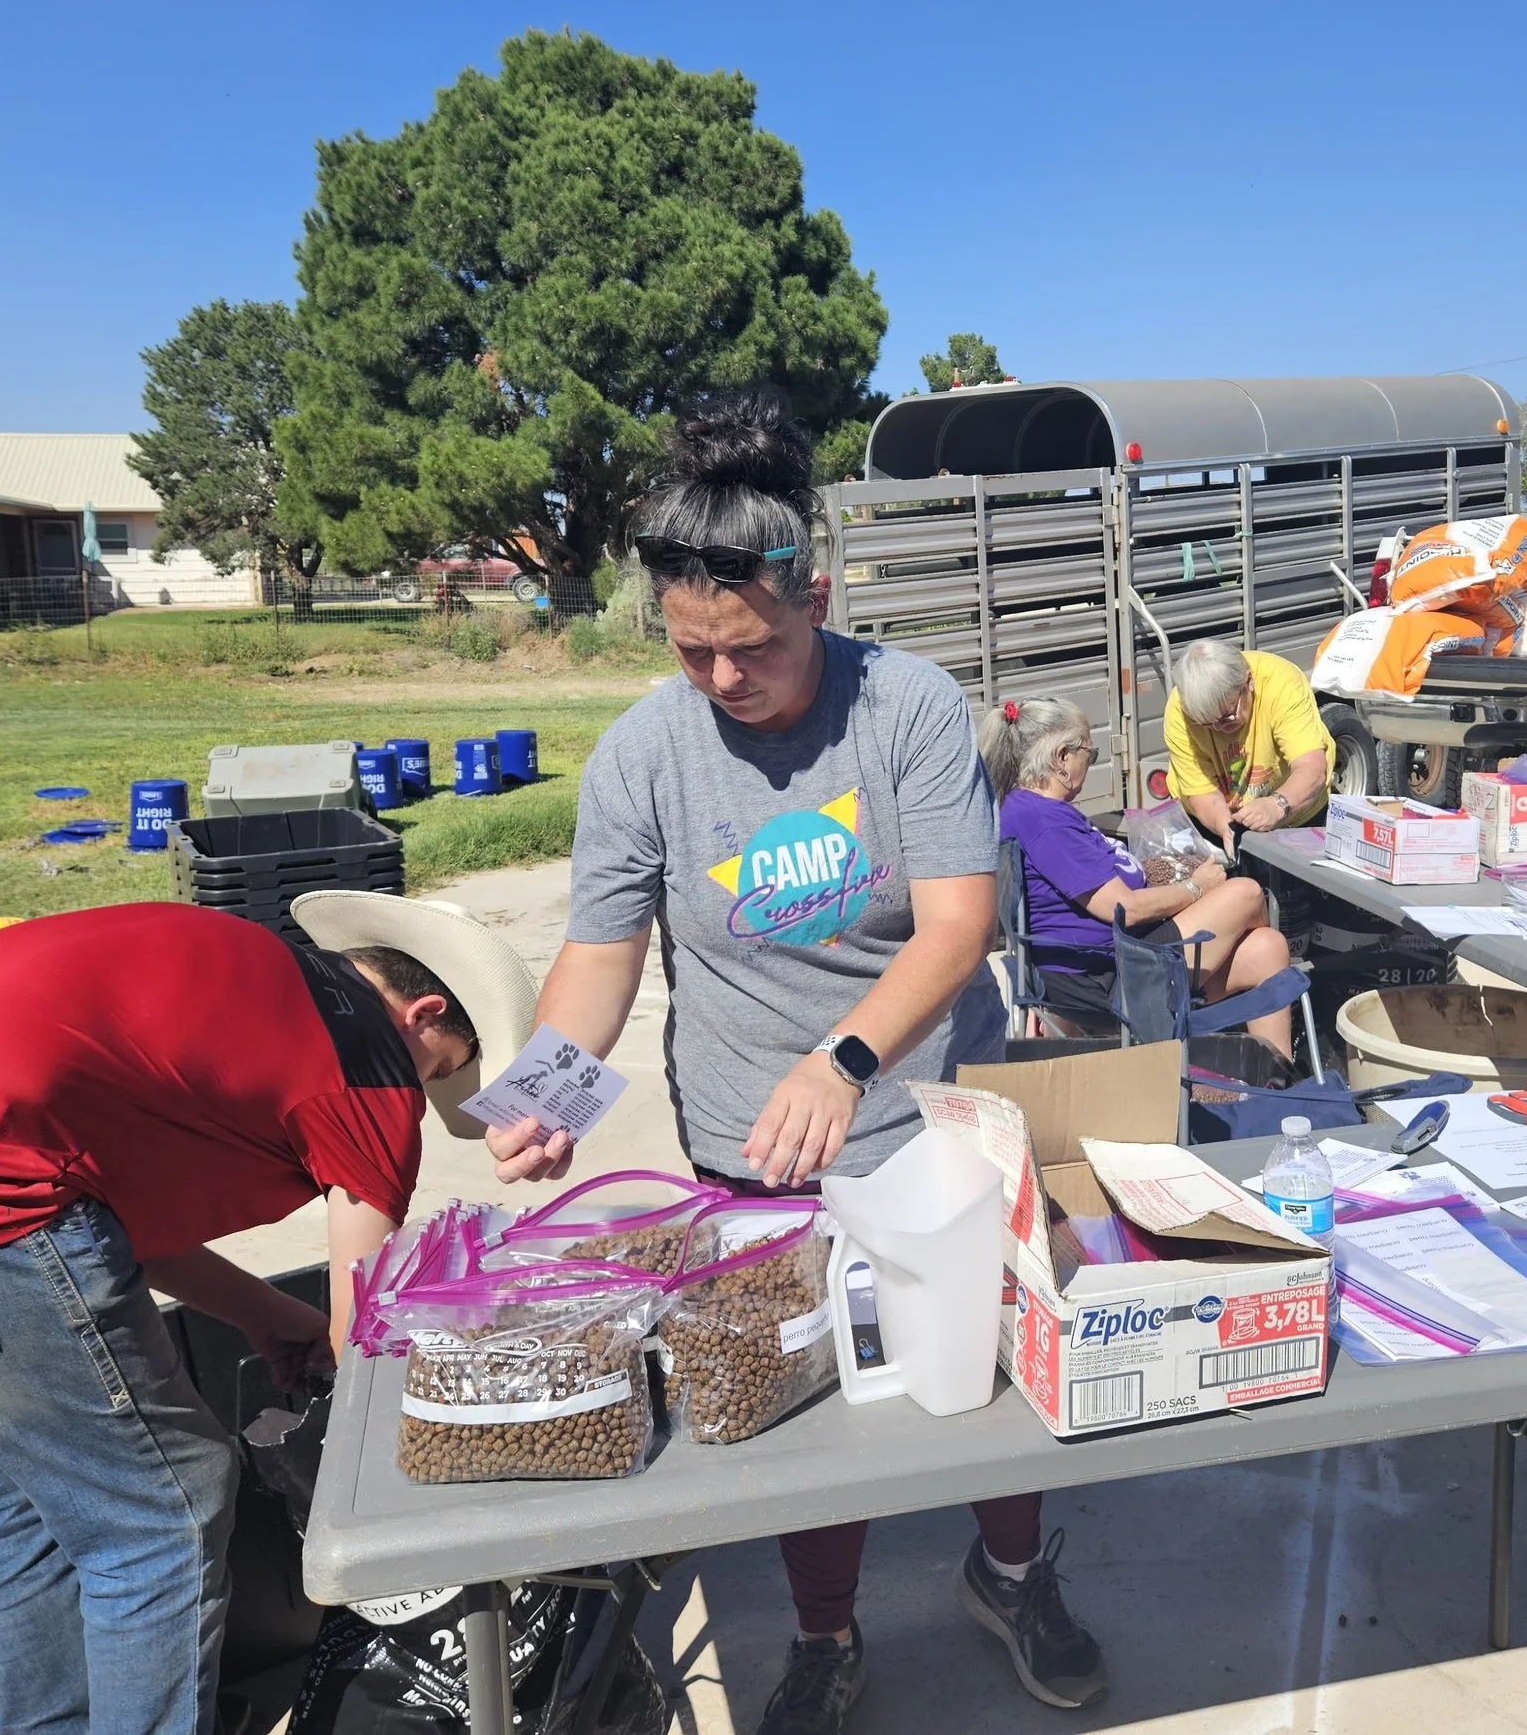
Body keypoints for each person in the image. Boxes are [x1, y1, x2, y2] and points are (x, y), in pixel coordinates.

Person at [534, 392, 1107, 1735]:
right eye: (693, 651)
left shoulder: (905, 706)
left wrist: (844, 1058)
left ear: (817, 596)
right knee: (798, 1377)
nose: (725, 680)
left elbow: (960, 924)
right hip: (752, 1128)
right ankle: (827, 1629)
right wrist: (547, 1089)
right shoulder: (642, 751)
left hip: (925, 1107)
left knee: (987, 1357)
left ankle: (1010, 1569)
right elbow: (602, 950)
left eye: (753, 647)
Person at [0, 893, 540, 1735]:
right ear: (426, 1012)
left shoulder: (247, 976)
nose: (424, 1093)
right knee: (165, 1511)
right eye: (442, 1069)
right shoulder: (369, 1062)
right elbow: (364, 1334)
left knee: (1, 1495)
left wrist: (264, 1314)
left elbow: (105, 1229)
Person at [984, 693, 1296, 1056]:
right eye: (1090, 753)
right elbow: (1125, 908)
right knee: (1245, 893)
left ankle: (1275, 1082)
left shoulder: (1032, 810)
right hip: (1112, 979)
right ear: (1062, 758)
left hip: (1117, 959)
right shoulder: (1044, 820)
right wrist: (1196, 887)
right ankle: (1190, 1026)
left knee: (1267, 948)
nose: (1092, 761)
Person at [1162, 637, 1335, 845]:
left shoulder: (1281, 683)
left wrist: (1276, 805)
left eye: (1227, 717)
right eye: (1207, 724)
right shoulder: (1180, 711)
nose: (1220, 729)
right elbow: (1202, 793)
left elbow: (1311, 767)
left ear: (1249, 681)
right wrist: (1227, 830)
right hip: (1212, 820)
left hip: (1294, 811)